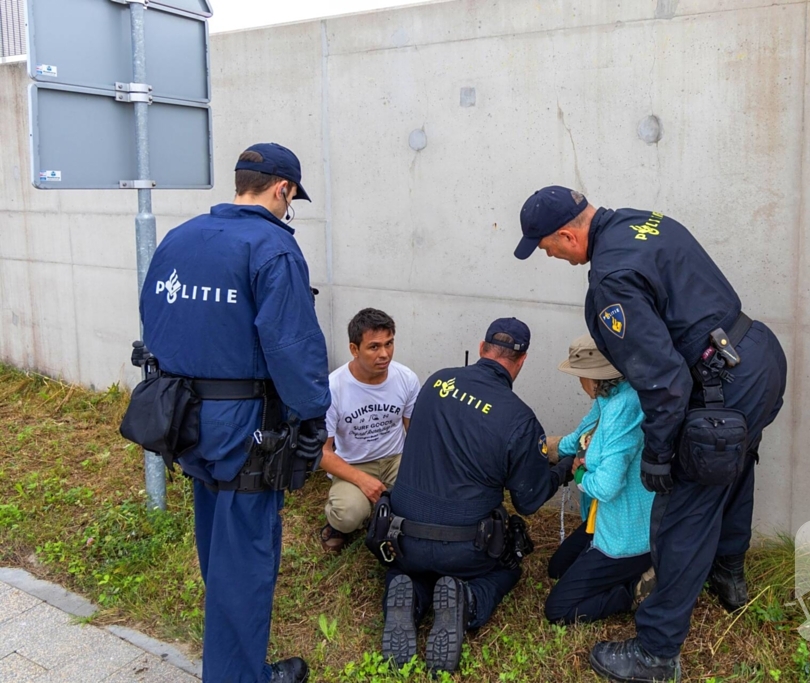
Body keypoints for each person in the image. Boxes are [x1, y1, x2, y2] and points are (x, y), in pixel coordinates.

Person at [515, 186, 787, 683]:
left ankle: (656, 653)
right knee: (736, 467)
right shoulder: (644, 221)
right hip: (757, 356)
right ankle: (727, 575)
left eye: (546, 247)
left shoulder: (610, 281)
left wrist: (661, 454)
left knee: (685, 511)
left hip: (718, 385)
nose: (550, 256)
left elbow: (664, 380)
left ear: (568, 234)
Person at [138, 143, 330, 683]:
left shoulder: (179, 238)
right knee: (244, 562)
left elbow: (154, 321)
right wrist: (313, 415)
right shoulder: (273, 248)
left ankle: (233, 662)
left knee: (215, 547)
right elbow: (292, 344)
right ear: (282, 190)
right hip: (245, 431)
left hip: (181, 417)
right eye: (291, 198)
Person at [377, 318, 575, 673]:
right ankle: (467, 600)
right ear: (522, 361)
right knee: (509, 570)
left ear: (482, 349)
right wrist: (565, 469)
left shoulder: (438, 381)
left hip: (402, 536)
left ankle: (408, 594)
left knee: (411, 569)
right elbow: (528, 500)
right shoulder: (520, 419)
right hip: (467, 549)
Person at [544, 334, 655, 625]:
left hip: (624, 534)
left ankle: (633, 590)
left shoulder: (624, 408)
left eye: (579, 375)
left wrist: (581, 474)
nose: (579, 382)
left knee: (558, 610)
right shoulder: (608, 397)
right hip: (601, 521)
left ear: (593, 377)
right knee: (557, 569)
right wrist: (542, 447)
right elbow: (578, 438)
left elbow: (606, 486)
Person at [319, 308, 420, 551]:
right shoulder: (333, 388)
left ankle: (389, 505)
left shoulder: (406, 378)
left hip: (396, 459)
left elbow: (415, 432)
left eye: (389, 343)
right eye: (374, 347)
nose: (385, 354)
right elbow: (322, 452)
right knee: (349, 514)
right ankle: (338, 521)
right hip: (354, 464)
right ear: (354, 349)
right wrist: (362, 480)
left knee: (425, 501)